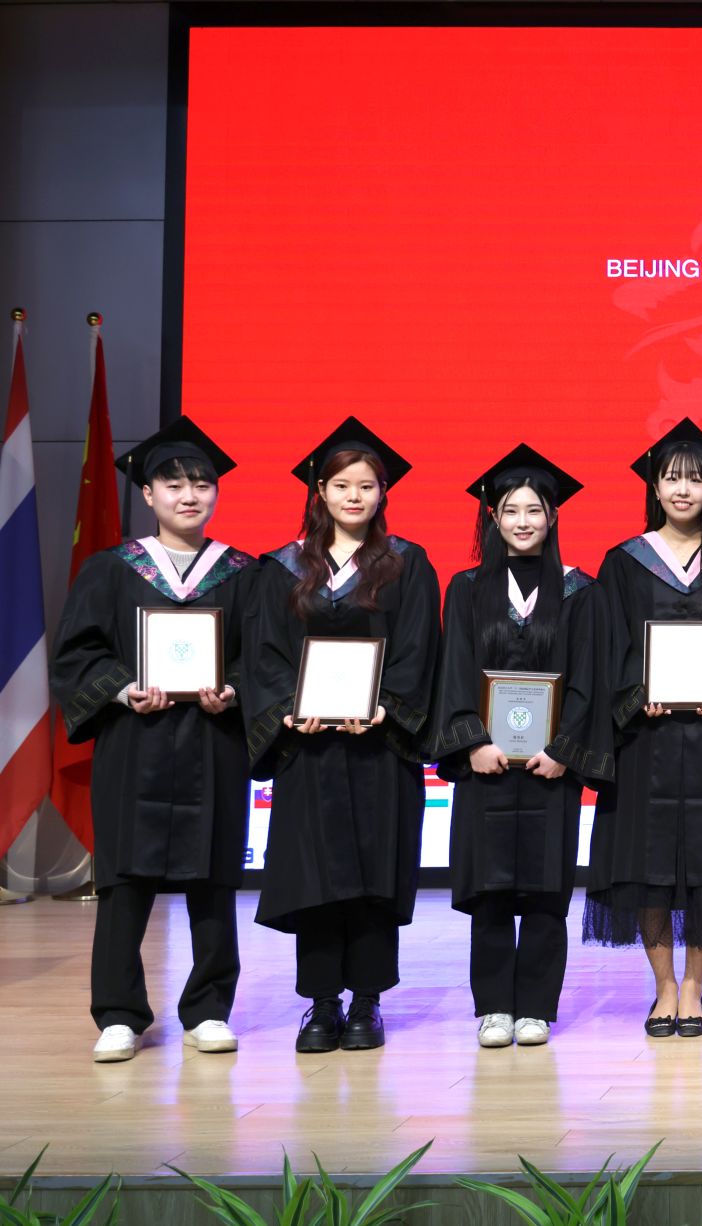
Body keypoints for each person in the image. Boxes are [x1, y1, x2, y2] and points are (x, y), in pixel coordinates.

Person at [52, 418, 257, 1062]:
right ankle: (119, 1014)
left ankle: (209, 1010)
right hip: (133, 741)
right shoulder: (110, 570)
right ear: (147, 493)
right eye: (173, 484)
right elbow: (78, 654)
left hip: (213, 742)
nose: (189, 495)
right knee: (124, 881)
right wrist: (122, 689)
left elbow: (265, 659)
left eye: (202, 484)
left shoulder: (245, 574)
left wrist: (235, 691)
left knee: (213, 877)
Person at [242, 417, 440, 1053]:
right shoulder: (283, 568)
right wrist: (287, 711)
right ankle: (322, 1003)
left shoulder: (407, 563)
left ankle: (368, 1002)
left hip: (379, 750)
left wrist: (385, 707)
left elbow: (418, 650)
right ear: (319, 491)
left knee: (374, 876)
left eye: (367, 486)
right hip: (310, 751)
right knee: (316, 876)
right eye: (342, 485)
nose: (355, 496)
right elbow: (266, 654)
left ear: (383, 493)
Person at [586, 418, 702, 1039]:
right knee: (650, 865)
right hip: (647, 739)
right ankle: (663, 986)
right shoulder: (624, 562)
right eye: (671, 478)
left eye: (695, 479)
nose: (683, 490)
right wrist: (639, 693)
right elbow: (609, 644)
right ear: (655, 487)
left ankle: (694, 986)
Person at [430, 446, 615, 1048]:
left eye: (535, 510)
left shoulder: (579, 592)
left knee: (544, 889)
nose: (523, 521)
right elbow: (455, 670)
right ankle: (493, 1007)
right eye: (510, 510)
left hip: (549, 770)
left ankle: (535, 1006)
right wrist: (472, 741)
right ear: (493, 517)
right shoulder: (466, 589)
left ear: (553, 516)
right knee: (488, 891)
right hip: (486, 767)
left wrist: (564, 749)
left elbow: (588, 678)